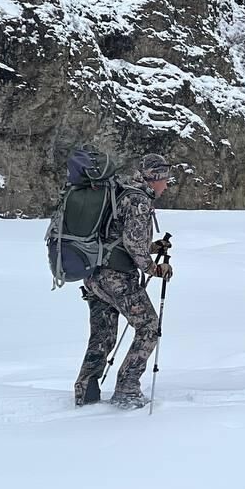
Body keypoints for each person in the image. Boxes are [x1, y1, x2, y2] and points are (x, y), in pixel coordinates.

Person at [73, 153, 174, 409]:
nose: (167, 185)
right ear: (155, 178)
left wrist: (152, 246)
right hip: (117, 278)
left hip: (94, 276)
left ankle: (85, 391)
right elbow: (131, 243)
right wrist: (155, 268)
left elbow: (119, 239)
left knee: (102, 335)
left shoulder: (120, 193)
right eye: (166, 179)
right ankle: (127, 389)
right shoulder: (139, 201)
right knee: (149, 326)